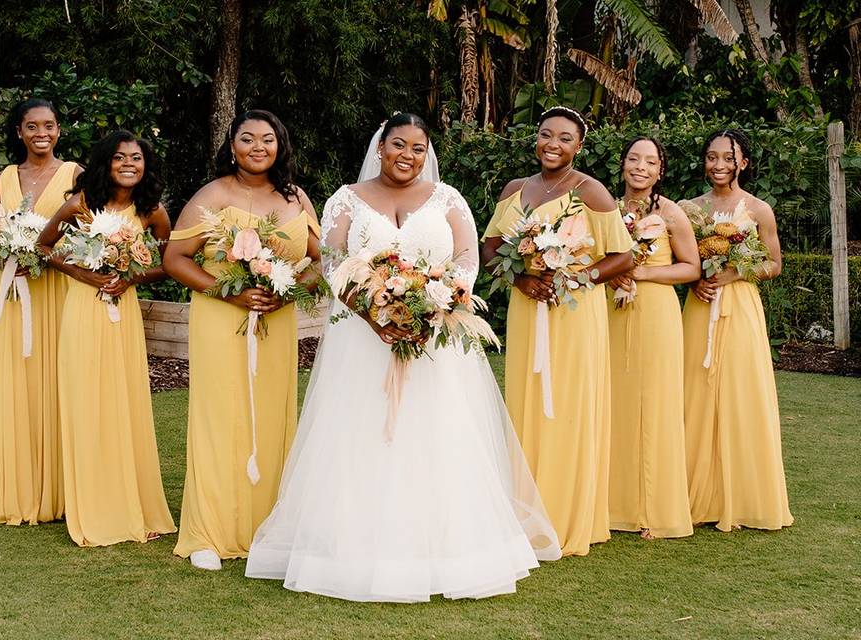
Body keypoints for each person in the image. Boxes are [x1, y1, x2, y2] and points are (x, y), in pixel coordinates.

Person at [245, 112, 561, 602]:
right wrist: (374, 314)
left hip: (433, 339)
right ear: (380, 148)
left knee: (437, 434)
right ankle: (355, 548)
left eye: (417, 148)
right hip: (360, 338)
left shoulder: (448, 198)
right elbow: (331, 263)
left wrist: (432, 307)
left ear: (426, 152)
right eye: (398, 145)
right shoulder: (346, 198)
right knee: (360, 434)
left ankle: (441, 550)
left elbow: (467, 259)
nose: (407, 156)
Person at [164, 110, 321, 570]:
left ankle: (270, 527)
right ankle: (208, 534)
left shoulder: (296, 199)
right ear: (231, 146)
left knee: (273, 418)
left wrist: (289, 290)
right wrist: (227, 293)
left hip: (276, 323)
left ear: (280, 145)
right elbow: (174, 257)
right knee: (220, 417)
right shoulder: (212, 195)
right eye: (247, 138)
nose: (258, 146)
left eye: (267, 139)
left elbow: (321, 260)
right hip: (220, 320)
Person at [481, 106, 634, 557]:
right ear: (536, 140)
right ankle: (523, 513)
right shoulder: (514, 190)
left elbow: (622, 257)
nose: (553, 144)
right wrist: (521, 279)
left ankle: (567, 515)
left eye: (565, 138)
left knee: (569, 404)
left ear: (579, 146)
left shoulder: (593, 193)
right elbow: (490, 246)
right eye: (546, 135)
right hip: (528, 309)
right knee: (527, 403)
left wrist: (574, 279)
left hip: (573, 314)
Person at [37, 130, 176, 546]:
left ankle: (134, 503)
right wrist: (81, 273)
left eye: (136, 157)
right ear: (105, 163)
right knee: (87, 400)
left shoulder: (153, 211)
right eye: (119, 158)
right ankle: (92, 505)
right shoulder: (80, 204)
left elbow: (170, 261)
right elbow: (44, 247)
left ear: (145, 165)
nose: (129, 164)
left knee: (125, 399)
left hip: (123, 311)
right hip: (83, 309)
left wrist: (131, 277)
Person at [0, 98, 81, 525]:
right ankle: (17, 488)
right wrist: (10, 249)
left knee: (58, 378)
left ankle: (63, 490)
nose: (41, 134)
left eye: (49, 126)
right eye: (32, 127)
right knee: (17, 381)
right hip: (15, 294)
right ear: (19, 132)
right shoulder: (4, 179)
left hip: (58, 289)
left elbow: (89, 230)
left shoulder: (75, 175)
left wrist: (52, 251)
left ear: (58, 130)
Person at [681, 129, 793, 531]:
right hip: (700, 306)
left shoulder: (759, 209)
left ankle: (744, 496)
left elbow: (774, 264)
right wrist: (696, 279)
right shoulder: (688, 209)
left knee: (741, 394)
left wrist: (733, 272)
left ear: (743, 163)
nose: (719, 166)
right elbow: (679, 259)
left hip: (741, 307)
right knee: (694, 393)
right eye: (712, 157)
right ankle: (695, 498)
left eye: (728, 158)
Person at [606, 136, 699, 540]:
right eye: (633, 159)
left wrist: (641, 272)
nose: (640, 167)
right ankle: (613, 505)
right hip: (611, 313)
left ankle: (654, 510)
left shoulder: (672, 213)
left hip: (657, 313)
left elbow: (691, 269)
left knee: (656, 404)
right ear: (623, 164)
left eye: (649, 161)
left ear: (661, 170)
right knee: (615, 402)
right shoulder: (605, 208)